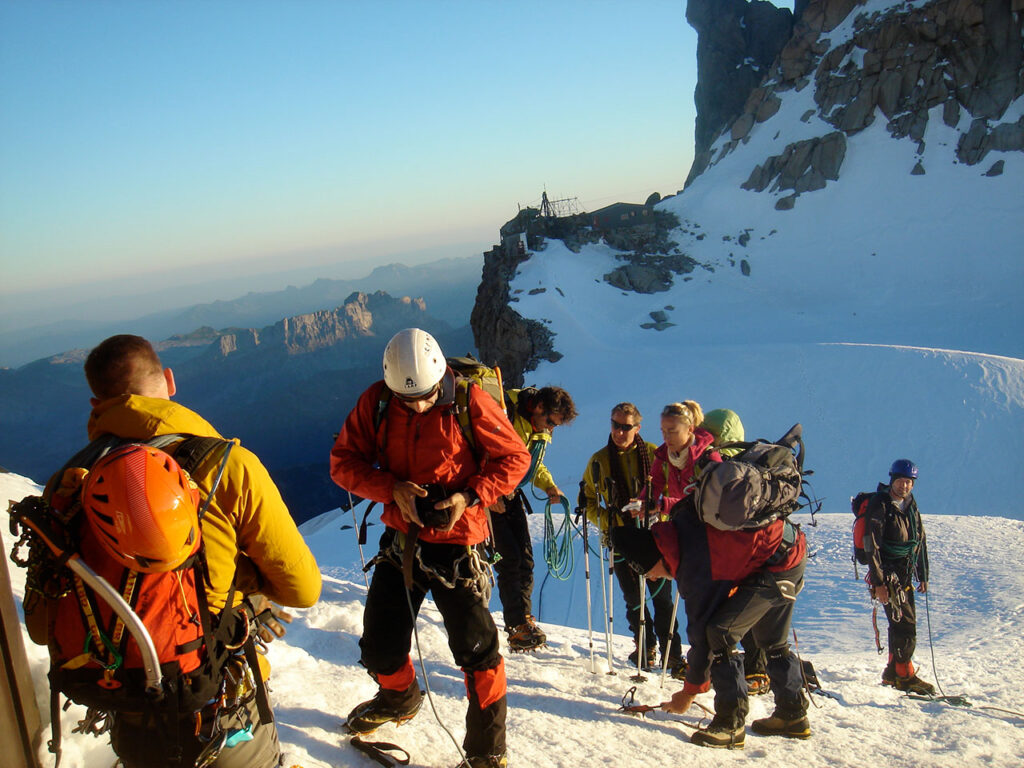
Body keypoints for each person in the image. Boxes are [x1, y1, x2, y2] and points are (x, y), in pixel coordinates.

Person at [28, 334, 323, 768]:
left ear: (97, 403)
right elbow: (303, 589)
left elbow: (41, 626)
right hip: (217, 708)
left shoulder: (69, 485)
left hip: (129, 715)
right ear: (169, 379)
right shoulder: (225, 465)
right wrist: (243, 582)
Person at [330, 328, 530, 768]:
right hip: (402, 539)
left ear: (440, 378)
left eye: (426, 396)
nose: (419, 405)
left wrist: (468, 496)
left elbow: (514, 458)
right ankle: (399, 697)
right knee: (380, 644)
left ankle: (486, 753)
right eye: (409, 399)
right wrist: (391, 488)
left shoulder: (470, 402)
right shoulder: (377, 402)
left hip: (458, 544)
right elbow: (342, 463)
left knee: (478, 652)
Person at [613, 474, 809, 749]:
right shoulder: (681, 531)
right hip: (786, 550)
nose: (653, 579)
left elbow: (702, 635)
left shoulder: (695, 565)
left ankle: (730, 724)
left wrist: (689, 693)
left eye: (645, 571)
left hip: (779, 563)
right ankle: (792, 715)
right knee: (770, 640)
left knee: (721, 632)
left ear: (654, 556)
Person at [582, 403, 683, 674]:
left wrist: (660, 508)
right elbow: (588, 500)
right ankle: (645, 647)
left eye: (626, 427)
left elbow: (674, 488)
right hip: (621, 537)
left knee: (661, 599)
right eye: (615, 425)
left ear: (637, 428)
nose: (619, 431)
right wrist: (609, 521)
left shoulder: (655, 454)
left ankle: (671, 655)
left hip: (655, 536)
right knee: (633, 599)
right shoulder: (598, 460)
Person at [490, 385, 577, 651]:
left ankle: (523, 621)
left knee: (525, 559)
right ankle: (517, 626)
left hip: (510, 493)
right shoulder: (505, 415)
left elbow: (532, 464)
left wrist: (549, 485)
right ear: (539, 408)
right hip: (490, 496)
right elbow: (481, 453)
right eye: (550, 422)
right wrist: (489, 495)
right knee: (510, 560)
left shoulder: (537, 428)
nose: (551, 429)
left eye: (555, 425)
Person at [864, 459, 934, 695]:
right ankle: (904, 675)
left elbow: (919, 540)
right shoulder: (880, 504)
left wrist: (922, 574)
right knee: (906, 624)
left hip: (904, 571)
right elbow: (871, 546)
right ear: (892, 480)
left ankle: (894, 671)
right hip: (887, 572)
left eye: (909, 482)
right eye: (901, 481)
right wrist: (879, 582)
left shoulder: (910, 505)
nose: (904, 486)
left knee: (899, 621)